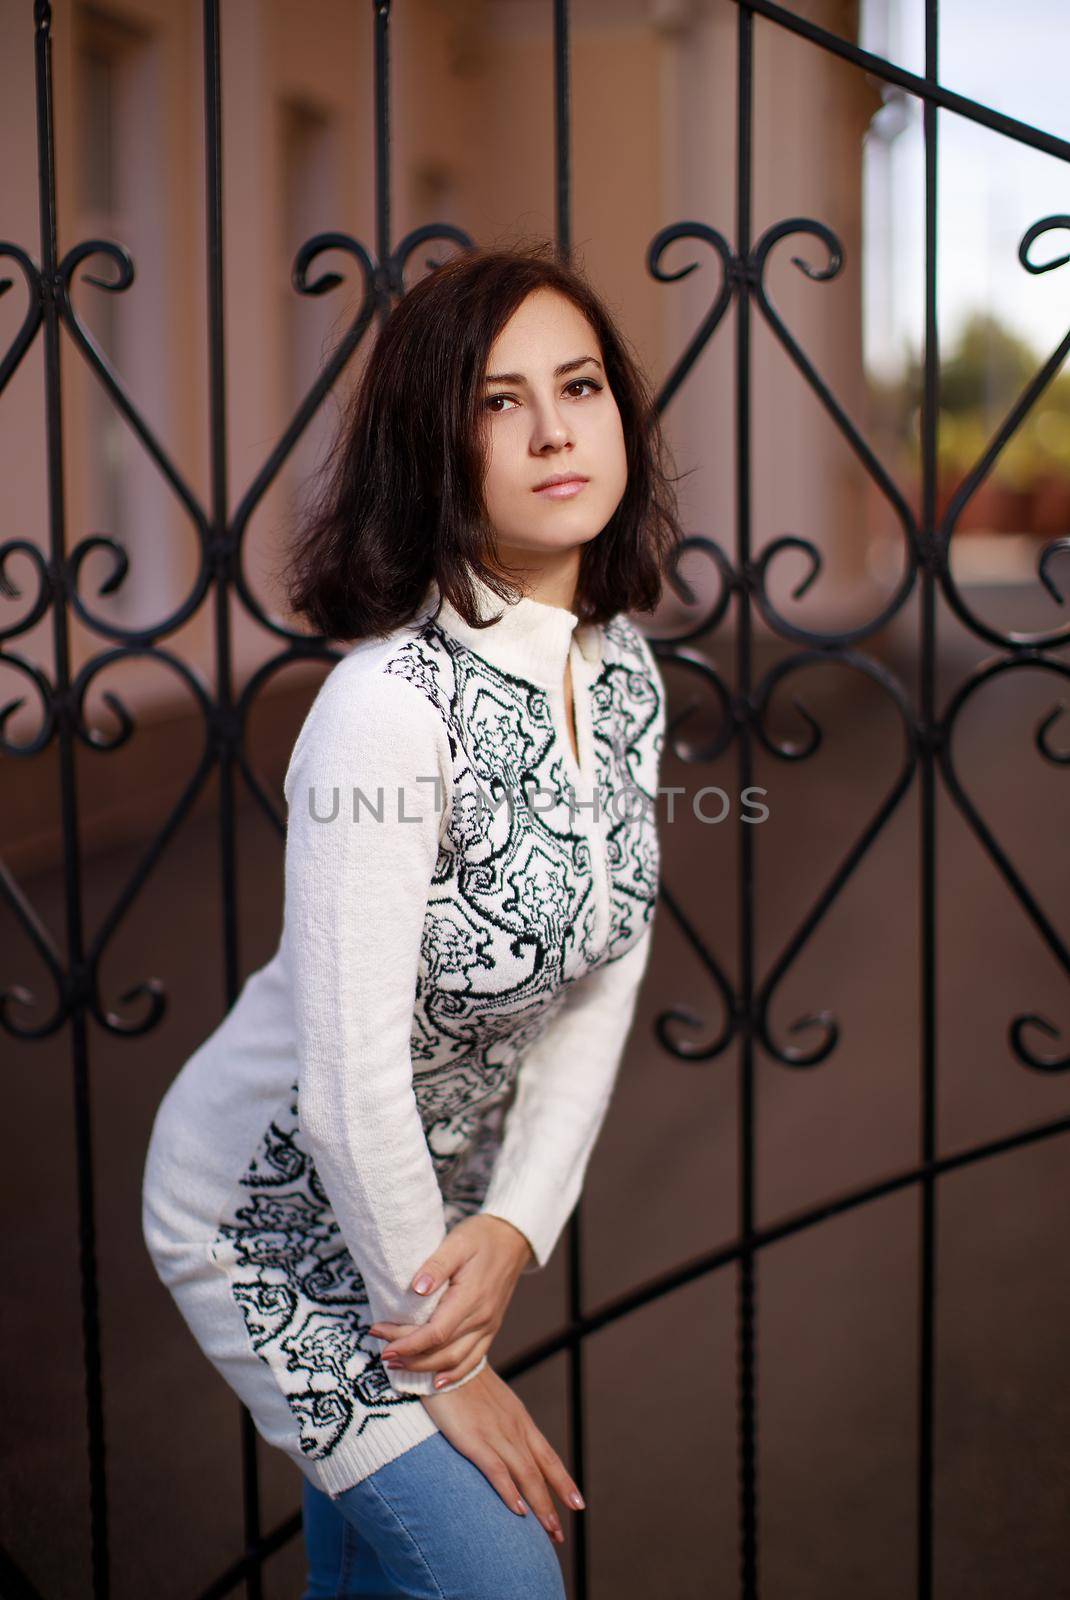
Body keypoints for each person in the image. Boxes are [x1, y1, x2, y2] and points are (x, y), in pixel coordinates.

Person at [141, 241, 682, 1600]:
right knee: (505, 1578)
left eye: (579, 385)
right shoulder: (389, 709)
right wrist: (451, 1356)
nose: (555, 428)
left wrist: (515, 1224)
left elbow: (603, 977)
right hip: (272, 1221)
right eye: (499, 401)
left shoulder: (620, 674)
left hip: (423, 1217)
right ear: (434, 446)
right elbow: (343, 1085)